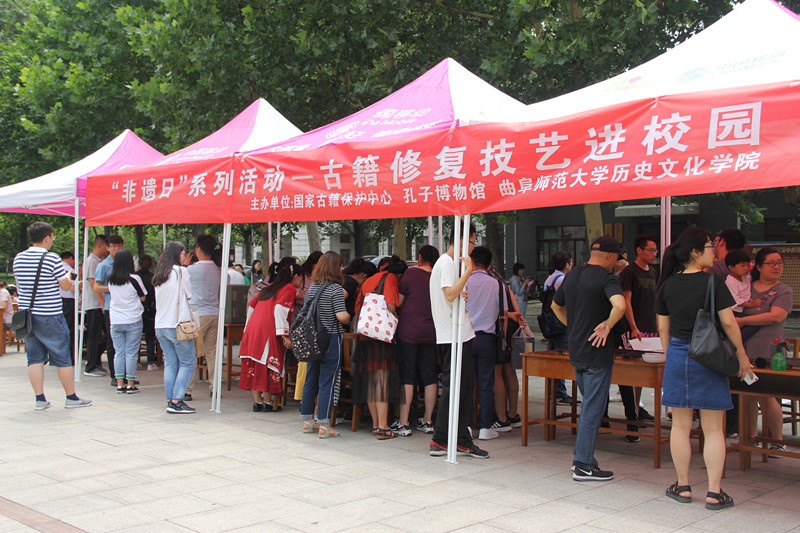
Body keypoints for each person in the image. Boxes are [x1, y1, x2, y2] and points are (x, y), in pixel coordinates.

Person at [656, 226, 751, 510]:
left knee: (680, 425)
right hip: (708, 356)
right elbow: (729, 322)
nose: (714, 252)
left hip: (678, 354)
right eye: (710, 246)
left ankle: (683, 486)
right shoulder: (713, 282)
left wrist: (671, 354)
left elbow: (663, 327)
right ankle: (714, 492)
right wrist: (741, 355)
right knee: (712, 428)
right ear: (696, 253)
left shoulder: (667, 284)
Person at [551, 236, 626, 481]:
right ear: (611, 256)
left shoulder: (572, 275)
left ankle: (581, 460)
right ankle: (584, 463)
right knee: (592, 409)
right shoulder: (607, 277)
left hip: (577, 350)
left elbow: (555, 306)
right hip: (597, 352)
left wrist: (572, 326)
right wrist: (607, 325)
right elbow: (620, 305)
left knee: (590, 405)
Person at [12, 221, 91, 410]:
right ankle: (71, 397)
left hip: (27, 316)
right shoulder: (51, 258)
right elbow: (65, 286)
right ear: (47, 237)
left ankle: (40, 399)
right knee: (62, 357)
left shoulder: (18, 258)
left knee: (34, 358)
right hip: (50, 314)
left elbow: (20, 285)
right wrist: (69, 276)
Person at [429, 222, 489, 459]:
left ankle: (458, 438)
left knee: (461, 389)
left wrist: (461, 285)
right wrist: (468, 272)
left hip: (458, 334)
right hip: (453, 336)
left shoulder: (448, 263)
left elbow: (452, 294)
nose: (473, 247)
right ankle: (442, 439)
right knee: (454, 388)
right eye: (473, 242)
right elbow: (450, 293)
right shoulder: (447, 263)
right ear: (464, 239)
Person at [736, 247, 793, 454]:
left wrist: (743, 321)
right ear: (759, 266)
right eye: (771, 263)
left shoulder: (784, 291)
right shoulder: (746, 287)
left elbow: (775, 316)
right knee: (748, 394)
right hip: (745, 350)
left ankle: (777, 440)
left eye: (779, 263)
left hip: (770, 350)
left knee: (767, 395)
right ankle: (750, 437)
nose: (777, 267)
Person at [239, 262, 303, 411]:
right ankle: (267, 402)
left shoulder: (270, 288)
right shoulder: (289, 289)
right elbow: (280, 309)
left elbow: (252, 306)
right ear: (296, 276)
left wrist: (247, 329)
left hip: (253, 328)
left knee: (255, 363)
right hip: (268, 329)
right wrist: (284, 336)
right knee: (265, 362)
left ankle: (257, 402)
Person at [354, 255, 405, 439]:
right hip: (381, 336)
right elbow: (391, 306)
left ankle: (376, 424)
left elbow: (357, 308)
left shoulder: (368, 281)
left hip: (366, 335)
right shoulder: (389, 278)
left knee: (371, 381)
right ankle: (383, 426)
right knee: (381, 380)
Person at [300, 251, 350, 438]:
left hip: (312, 338)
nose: (341, 269)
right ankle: (324, 425)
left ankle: (307, 421)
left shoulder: (313, 288)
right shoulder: (335, 289)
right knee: (327, 381)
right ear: (335, 268)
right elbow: (341, 316)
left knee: (311, 378)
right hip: (330, 338)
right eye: (340, 265)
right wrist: (349, 318)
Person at [617, 234, 660, 441]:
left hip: (651, 327)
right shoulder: (629, 272)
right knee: (631, 372)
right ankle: (631, 416)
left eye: (655, 250)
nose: (654, 254)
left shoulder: (653, 272)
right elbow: (626, 300)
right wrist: (633, 327)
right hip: (633, 329)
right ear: (639, 250)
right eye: (651, 250)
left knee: (643, 374)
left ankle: (636, 408)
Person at [395, 245, 439, 436]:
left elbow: (398, 301)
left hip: (409, 332)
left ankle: (404, 422)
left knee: (407, 375)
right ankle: (428, 421)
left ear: (420, 257)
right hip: (432, 332)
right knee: (430, 376)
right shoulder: (439, 277)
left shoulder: (411, 273)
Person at [465, 246, 508, 440]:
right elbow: (503, 313)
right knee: (486, 383)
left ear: (471, 261)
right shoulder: (496, 284)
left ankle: (466, 425)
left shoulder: (464, 281)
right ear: (489, 265)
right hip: (487, 338)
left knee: (466, 384)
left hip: (466, 336)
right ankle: (485, 427)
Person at [153, 242, 196, 414]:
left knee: (171, 363)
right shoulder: (180, 272)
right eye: (183, 253)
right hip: (177, 324)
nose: (185, 256)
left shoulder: (159, 274)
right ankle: (177, 400)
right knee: (187, 363)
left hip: (160, 324)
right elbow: (189, 294)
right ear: (177, 254)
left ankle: (171, 399)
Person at [185, 235, 222, 400]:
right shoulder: (218, 270)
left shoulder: (190, 270)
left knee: (191, 353)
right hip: (214, 313)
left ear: (198, 249)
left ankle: (188, 389)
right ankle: (215, 387)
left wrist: (185, 265)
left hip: (197, 315)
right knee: (212, 353)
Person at [107, 249, 146, 394]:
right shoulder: (134, 279)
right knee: (131, 353)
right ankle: (130, 383)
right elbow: (143, 297)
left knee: (119, 353)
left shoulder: (110, 279)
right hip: (133, 319)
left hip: (116, 320)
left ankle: (119, 383)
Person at [543, 251, 576, 405]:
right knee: (561, 359)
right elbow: (567, 302)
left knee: (552, 358)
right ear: (567, 264)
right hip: (560, 324)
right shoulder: (562, 279)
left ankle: (553, 392)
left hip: (550, 325)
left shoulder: (550, 278)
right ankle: (560, 394)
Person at [94, 234, 125, 385]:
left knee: (126, 344)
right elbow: (96, 287)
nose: (116, 249)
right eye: (113, 246)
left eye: (119, 246)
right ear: (107, 248)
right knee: (112, 343)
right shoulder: (104, 266)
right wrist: (113, 288)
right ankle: (115, 375)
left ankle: (126, 375)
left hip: (125, 307)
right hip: (110, 308)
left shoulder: (125, 264)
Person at [83, 235, 108, 377]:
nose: (107, 249)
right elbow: (93, 284)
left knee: (103, 334)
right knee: (94, 335)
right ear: (99, 245)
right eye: (106, 246)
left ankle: (96, 362)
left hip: (99, 304)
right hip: (94, 304)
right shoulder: (92, 261)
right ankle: (91, 366)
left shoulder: (98, 261)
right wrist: (102, 301)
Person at [724, 249, 761, 342]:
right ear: (731, 267)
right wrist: (752, 305)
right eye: (743, 265)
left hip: (739, 311)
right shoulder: (730, 281)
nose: (746, 268)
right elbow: (736, 300)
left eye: (748, 265)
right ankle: (733, 341)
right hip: (732, 311)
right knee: (754, 324)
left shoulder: (746, 278)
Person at [136, 255, 158, 370]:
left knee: (135, 337)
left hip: (136, 310)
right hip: (150, 310)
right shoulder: (153, 278)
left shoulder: (134, 277)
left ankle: (135, 361)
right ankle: (150, 362)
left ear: (139, 264)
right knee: (150, 337)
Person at [59, 251, 76, 361]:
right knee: (69, 328)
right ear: (70, 258)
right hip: (68, 301)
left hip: (56, 301)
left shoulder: (55, 269)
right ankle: (68, 356)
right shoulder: (70, 271)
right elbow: (73, 288)